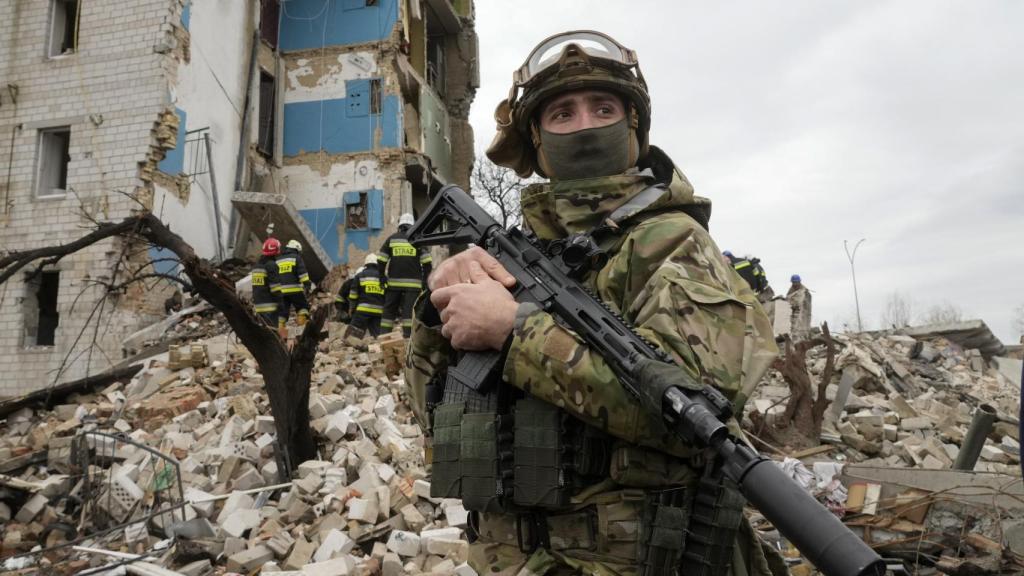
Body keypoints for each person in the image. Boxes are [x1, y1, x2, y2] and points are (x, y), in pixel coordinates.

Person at [406, 31, 783, 576]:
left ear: (634, 128)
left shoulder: (669, 242)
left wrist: (516, 334)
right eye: (562, 114)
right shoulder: (510, 255)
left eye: (602, 108)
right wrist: (436, 310)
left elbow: (698, 417)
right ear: (535, 138)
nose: (583, 125)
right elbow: (432, 416)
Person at [378, 213, 432, 337]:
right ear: (413, 225)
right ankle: (408, 338)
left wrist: (382, 278)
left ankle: (383, 336)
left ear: (400, 225)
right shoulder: (418, 240)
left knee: (389, 311)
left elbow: (381, 260)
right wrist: (425, 282)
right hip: (413, 285)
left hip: (393, 283)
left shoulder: (392, 239)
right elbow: (427, 263)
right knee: (408, 313)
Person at [724, 251, 776, 323]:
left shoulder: (729, 266)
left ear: (726, 257)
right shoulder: (749, 263)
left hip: (748, 294)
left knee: (752, 315)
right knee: (764, 315)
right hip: (762, 292)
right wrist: (759, 288)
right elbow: (758, 276)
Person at [274, 239, 311, 332]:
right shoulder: (296, 258)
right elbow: (302, 273)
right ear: (296, 249)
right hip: (295, 290)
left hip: (281, 291)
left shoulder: (278, 260)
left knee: (282, 312)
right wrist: (307, 284)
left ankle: (280, 332)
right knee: (303, 307)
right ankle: (301, 328)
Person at [345, 254, 385, 339]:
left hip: (363, 311)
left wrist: (351, 308)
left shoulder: (360, 275)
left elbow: (353, 294)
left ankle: (351, 348)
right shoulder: (383, 277)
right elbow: (388, 295)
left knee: (352, 336)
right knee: (379, 337)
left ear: (366, 264)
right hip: (378, 312)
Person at [252, 238, 283, 328]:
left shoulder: (256, 266)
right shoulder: (271, 265)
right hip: (270, 307)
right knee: (274, 333)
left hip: (259, 307)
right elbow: (275, 288)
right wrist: (281, 304)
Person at [788, 274, 812, 340]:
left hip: (803, 312)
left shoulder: (804, 291)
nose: (795, 284)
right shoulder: (791, 289)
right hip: (793, 312)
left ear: (799, 282)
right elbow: (788, 298)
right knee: (792, 328)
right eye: (793, 282)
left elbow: (802, 303)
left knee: (801, 328)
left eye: (796, 282)